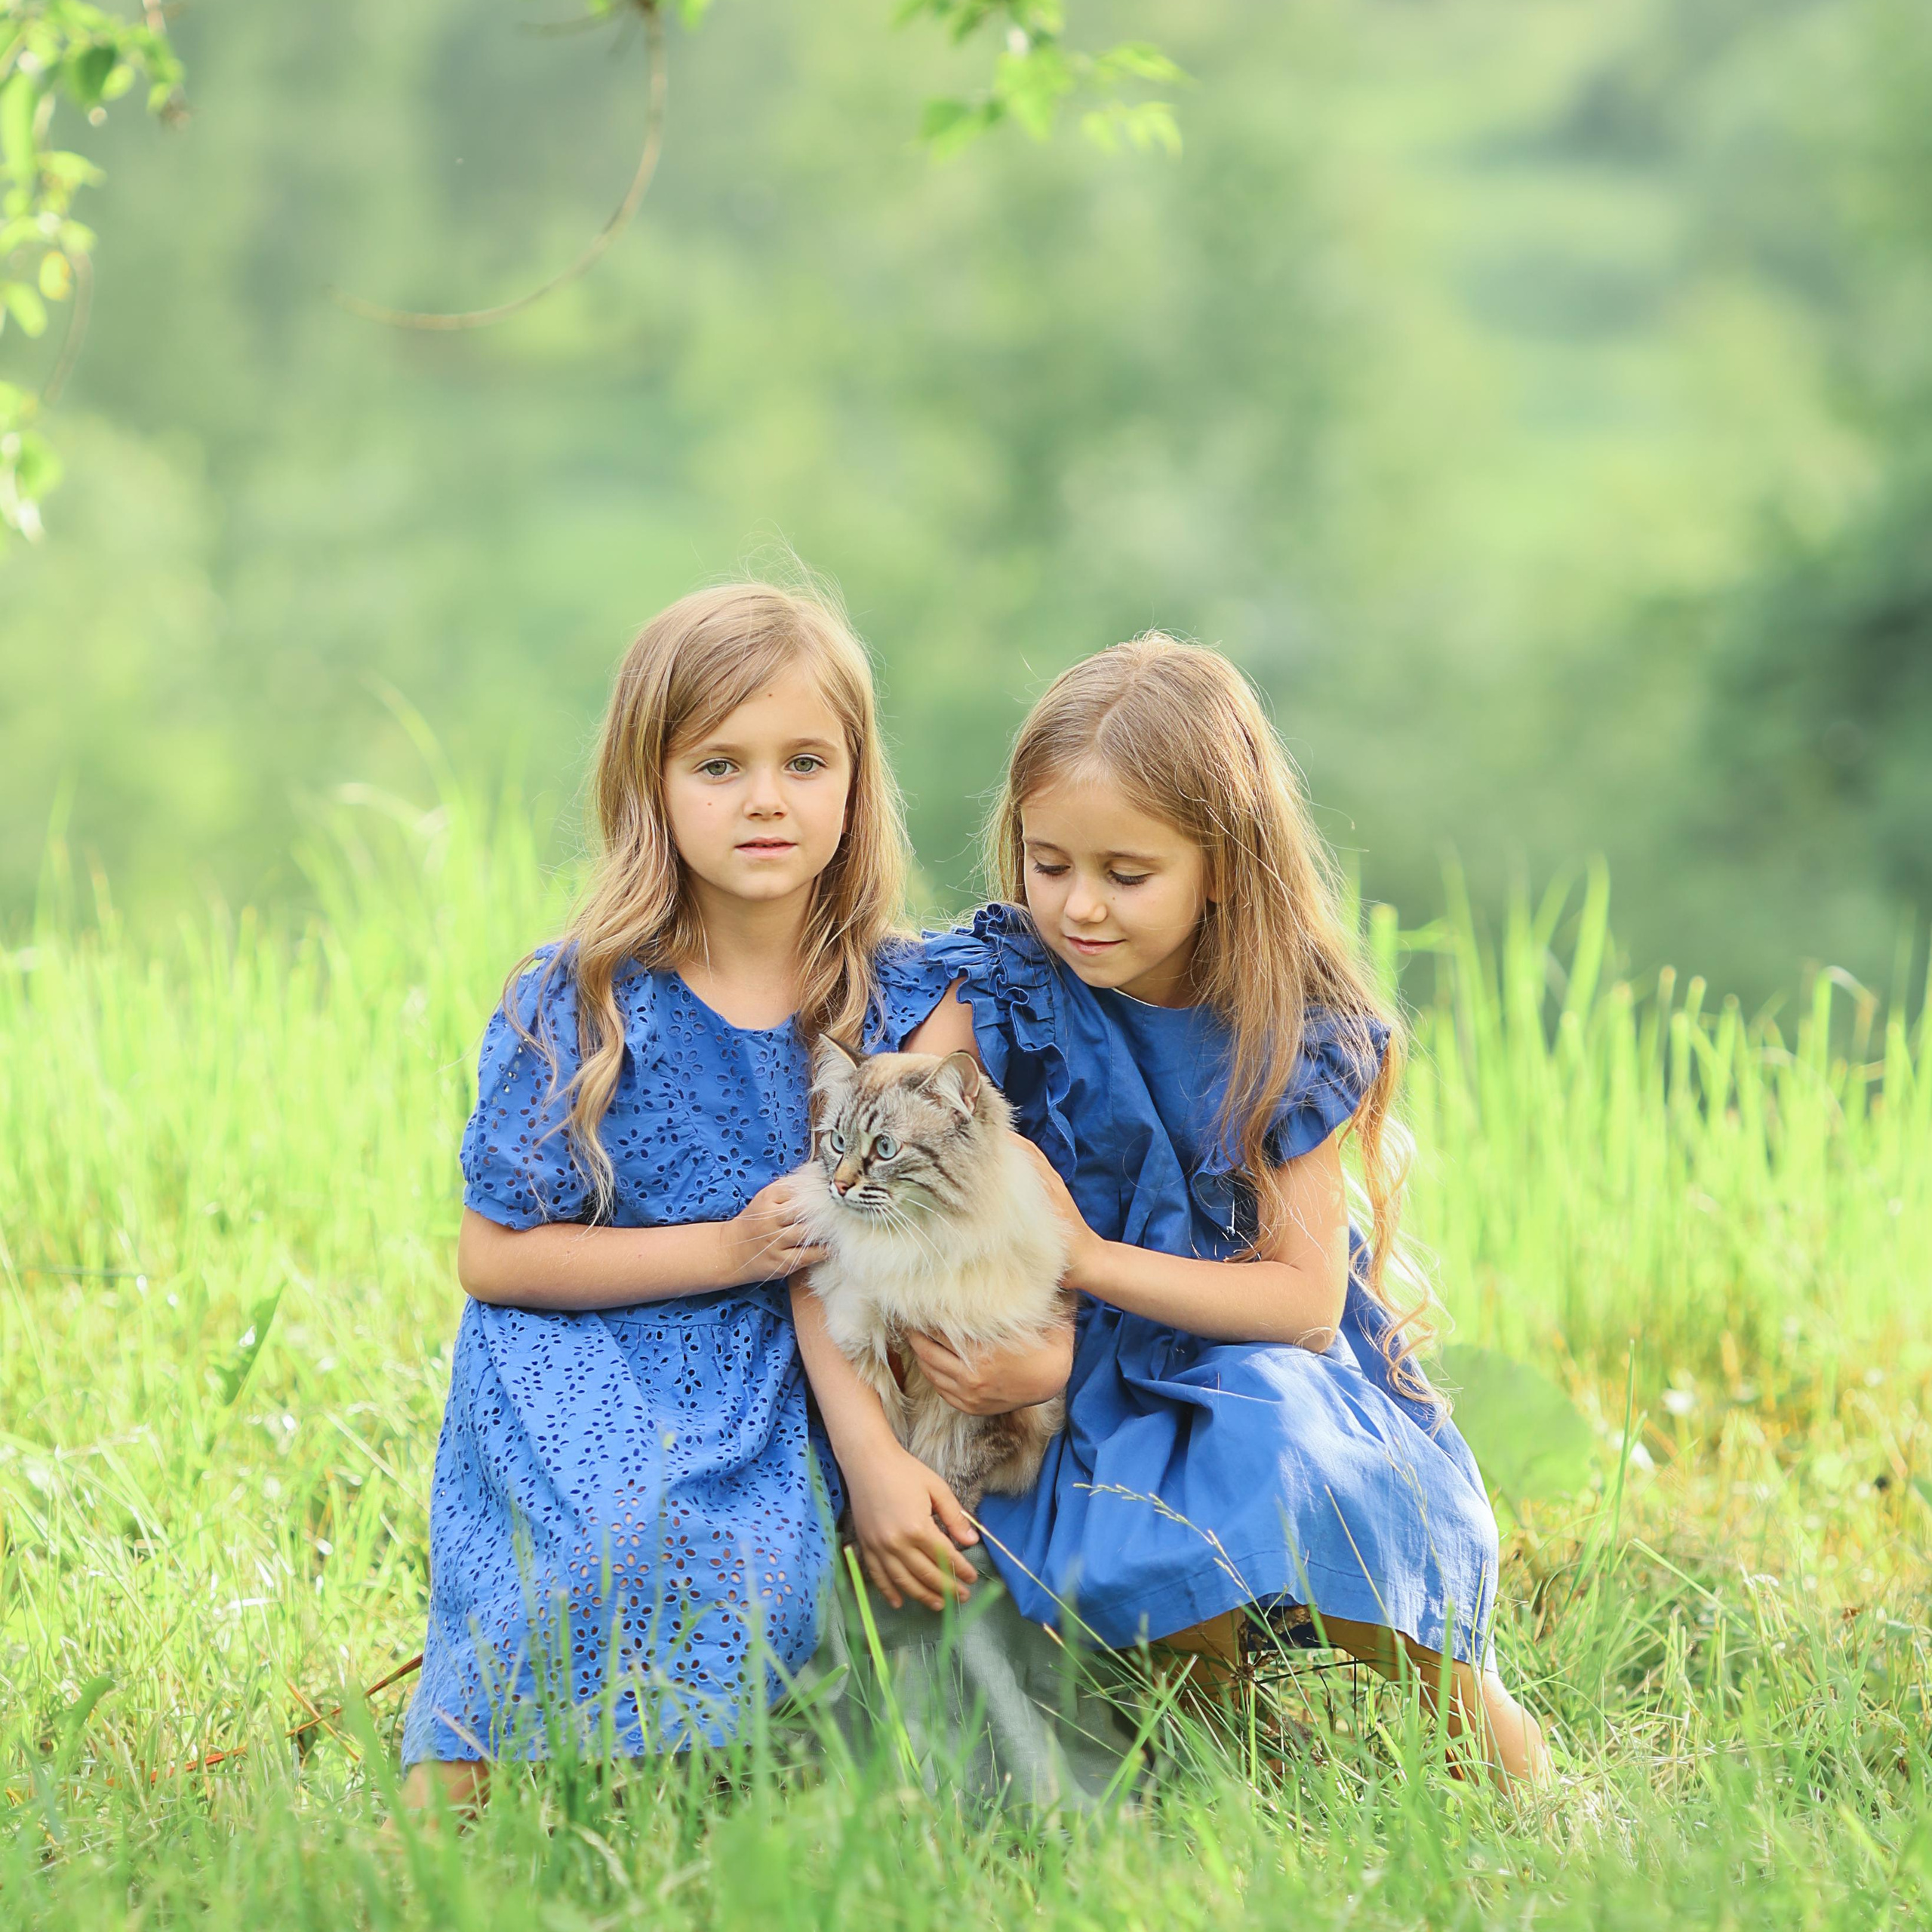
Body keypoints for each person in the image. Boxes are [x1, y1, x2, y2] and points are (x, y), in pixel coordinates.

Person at [795, 634, 1549, 1783]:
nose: (1080, 907)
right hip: (1048, 1377)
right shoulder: (999, 987)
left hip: (1231, 1359)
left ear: (1224, 867)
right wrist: (988, 1372)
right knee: (1106, 1562)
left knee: (1282, 1455)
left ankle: (1517, 1778)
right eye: (1049, 864)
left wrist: (1086, 1260)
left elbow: (1301, 1305)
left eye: (1127, 874)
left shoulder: (1278, 1028)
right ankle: (1228, 1742)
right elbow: (860, 1214)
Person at [400, 581, 955, 1808]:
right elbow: (495, 1258)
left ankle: (684, 1792)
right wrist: (731, 1249)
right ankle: (448, 1802)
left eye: (805, 762)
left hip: (796, 1360)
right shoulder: (579, 1003)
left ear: (856, 781)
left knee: (752, 1554)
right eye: (718, 766)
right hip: (591, 1344)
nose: (766, 799)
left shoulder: (903, 998)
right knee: (608, 1525)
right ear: (648, 784)